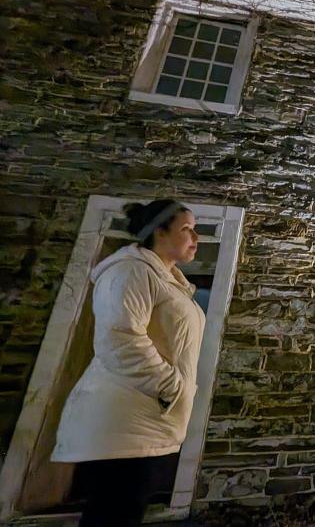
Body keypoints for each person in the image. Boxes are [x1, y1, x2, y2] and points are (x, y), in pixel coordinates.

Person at [52, 199, 206, 526]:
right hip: (122, 424)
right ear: (159, 232)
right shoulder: (130, 271)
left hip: (146, 420)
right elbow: (120, 339)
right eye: (186, 229)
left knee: (125, 512)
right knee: (113, 514)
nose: (196, 237)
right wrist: (171, 387)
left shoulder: (167, 280)